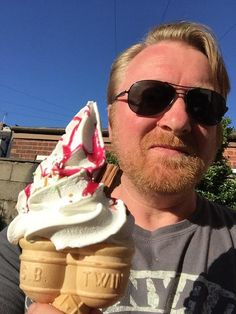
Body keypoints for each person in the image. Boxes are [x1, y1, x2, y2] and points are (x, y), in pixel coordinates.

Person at [0, 20, 235, 314]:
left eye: (204, 104)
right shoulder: (28, 236)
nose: (178, 121)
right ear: (111, 121)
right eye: (151, 97)